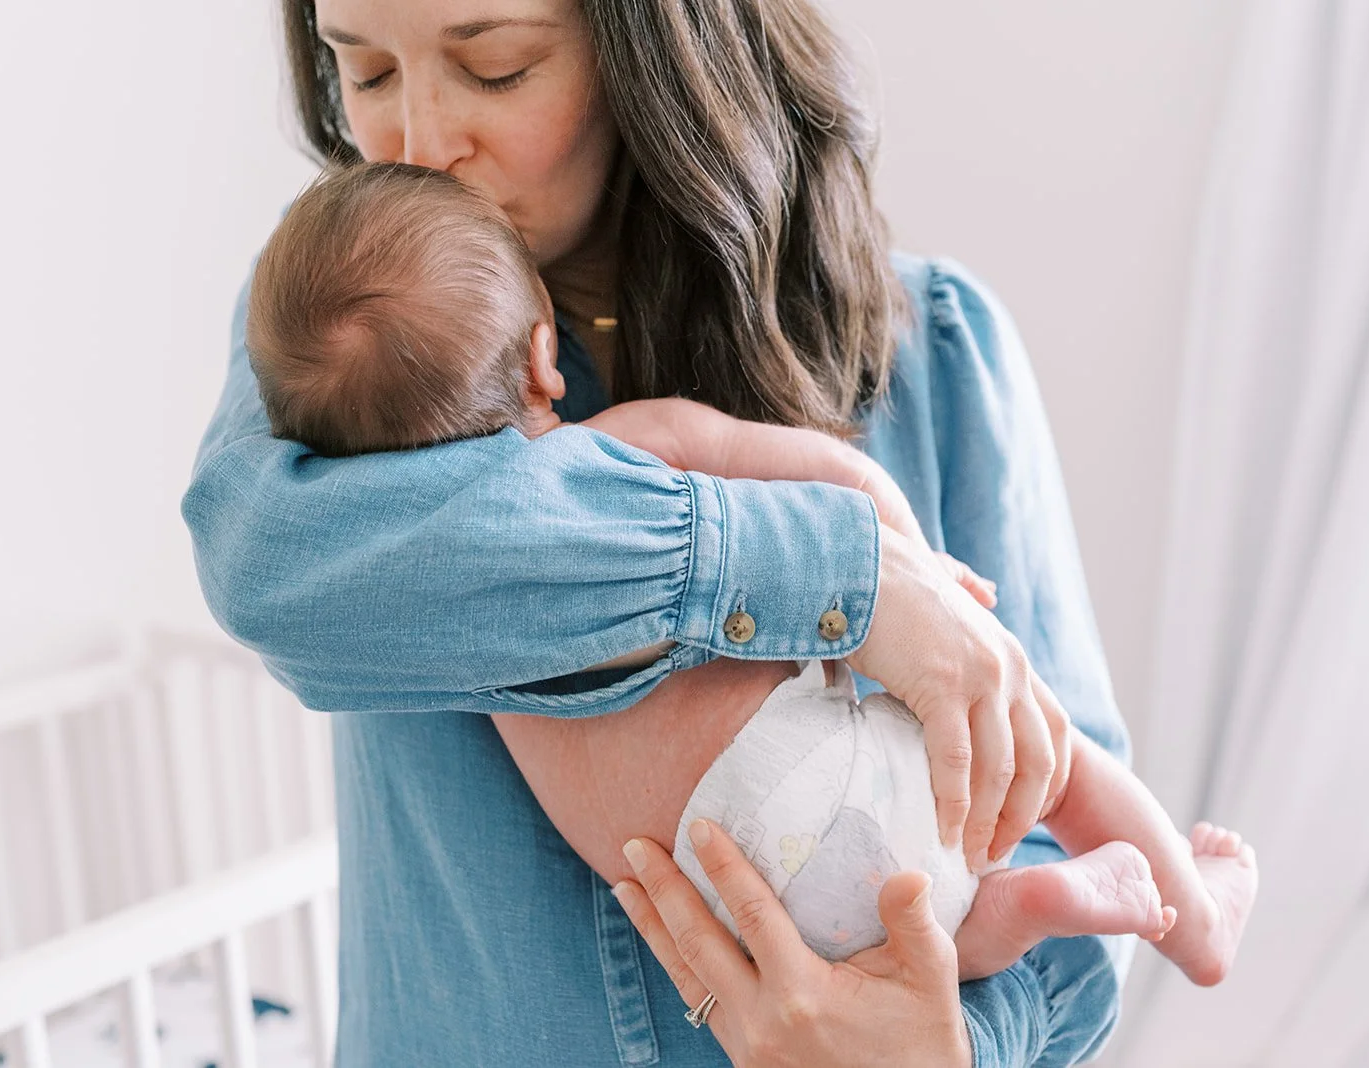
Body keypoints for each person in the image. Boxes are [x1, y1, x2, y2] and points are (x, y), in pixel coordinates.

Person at [184, 0, 1139, 1062]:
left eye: (496, 67)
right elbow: (269, 565)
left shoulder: (938, 348)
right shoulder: (355, 335)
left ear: (656, 47)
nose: (417, 144)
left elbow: (1079, 855)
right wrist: (847, 579)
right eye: (363, 73)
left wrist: (946, 1042)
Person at [244, 157, 1259, 988]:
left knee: (915, 947)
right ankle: (1197, 919)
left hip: (733, 896)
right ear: (545, 359)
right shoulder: (623, 445)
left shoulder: (447, 614)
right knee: (1054, 761)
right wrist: (908, 575)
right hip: (831, 772)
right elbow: (830, 478)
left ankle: (1018, 912)